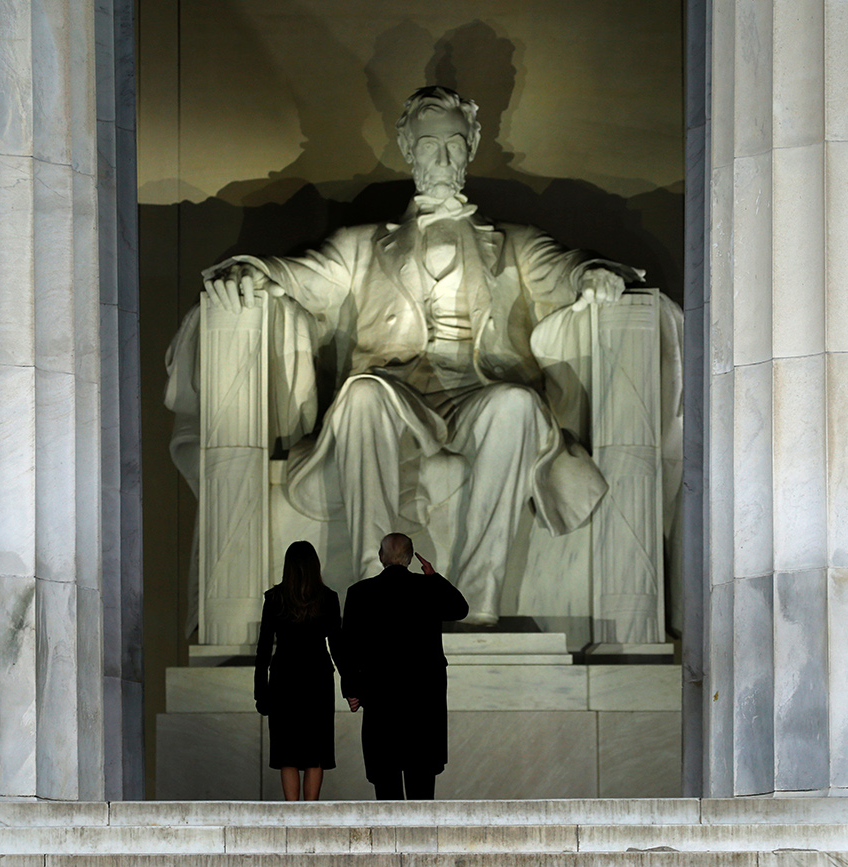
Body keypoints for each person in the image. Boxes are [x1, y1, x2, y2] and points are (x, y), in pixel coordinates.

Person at [202, 86, 640, 625]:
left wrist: (594, 276)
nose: (443, 159)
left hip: (476, 391)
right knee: (360, 395)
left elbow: (567, 268)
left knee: (518, 406)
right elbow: (303, 276)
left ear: (472, 145)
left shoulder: (512, 242)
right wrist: (254, 271)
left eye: (455, 145)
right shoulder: (362, 244)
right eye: (430, 146)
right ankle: (375, 587)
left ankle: (478, 598)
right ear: (408, 148)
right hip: (395, 392)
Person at [340, 532, 469, 799]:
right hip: (423, 702)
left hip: (380, 700)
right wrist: (434, 577)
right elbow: (460, 609)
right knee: (421, 788)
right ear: (410, 558)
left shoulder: (360, 592)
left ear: (381, 557)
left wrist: (351, 688)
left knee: (386, 787)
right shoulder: (428, 588)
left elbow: (348, 646)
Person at [254, 540, 342, 800]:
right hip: (318, 679)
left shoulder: (274, 599)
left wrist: (261, 691)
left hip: (284, 679)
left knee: (287, 753)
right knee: (315, 752)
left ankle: (292, 813)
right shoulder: (328, 599)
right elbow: (338, 646)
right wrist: (351, 684)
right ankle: (309, 812)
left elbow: (263, 650)